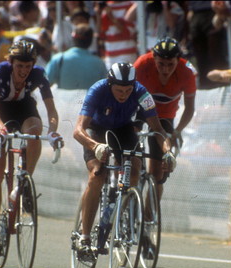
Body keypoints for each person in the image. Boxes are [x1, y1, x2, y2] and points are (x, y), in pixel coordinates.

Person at [72, 62, 174, 257]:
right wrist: (95, 146)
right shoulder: (98, 90)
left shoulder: (142, 93)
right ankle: (84, 237)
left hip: (124, 130)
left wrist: (168, 152)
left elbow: (159, 130)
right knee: (97, 175)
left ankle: (117, 214)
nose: (124, 94)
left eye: (128, 90)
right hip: (97, 130)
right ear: (110, 85)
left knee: (135, 172)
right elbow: (78, 130)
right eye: (119, 90)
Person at [0, 40, 62, 256]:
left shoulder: (38, 74)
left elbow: (51, 110)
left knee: (35, 131)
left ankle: (24, 179)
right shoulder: (1, 71)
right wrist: (0, 128)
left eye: (28, 67)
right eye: (19, 66)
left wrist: (53, 130)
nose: (24, 72)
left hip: (24, 108)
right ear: (11, 63)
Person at [134, 37, 197, 203]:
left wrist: (177, 131)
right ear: (153, 57)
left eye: (171, 64)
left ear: (179, 60)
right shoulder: (142, 64)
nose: (165, 69)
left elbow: (189, 109)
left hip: (165, 116)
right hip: (139, 110)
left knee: (157, 173)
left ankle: (148, 219)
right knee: (130, 151)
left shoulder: (187, 72)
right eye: (161, 63)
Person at [46, 23, 107, 89]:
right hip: (89, 99)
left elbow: (44, 83)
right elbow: (105, 89)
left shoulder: (59, 59)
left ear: (73, 39)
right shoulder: (99, 63)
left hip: (63, 99)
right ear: (91, 41)